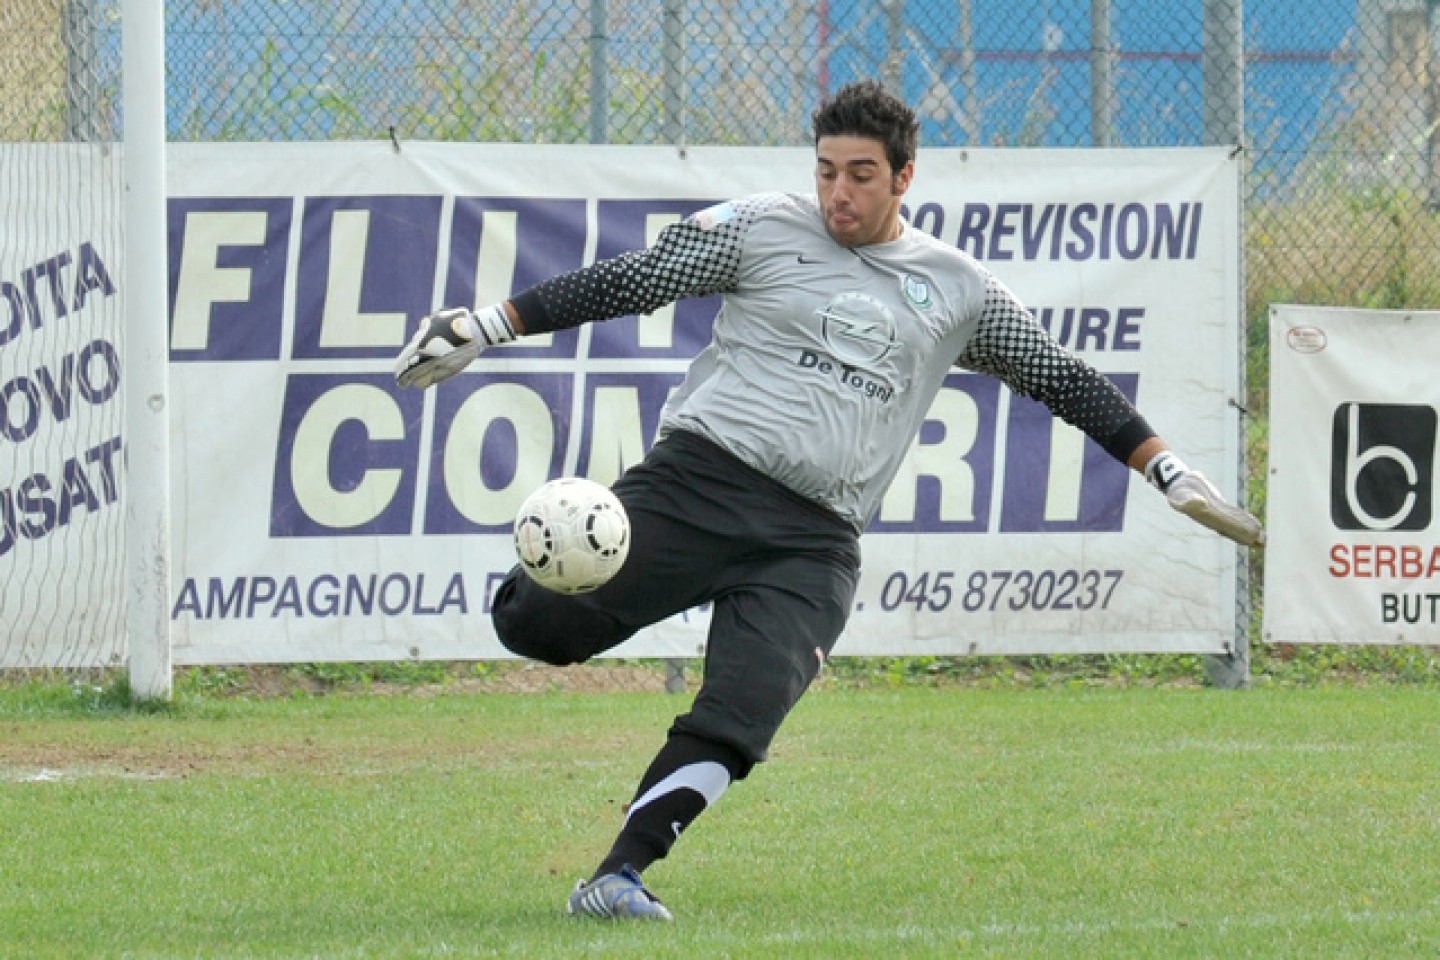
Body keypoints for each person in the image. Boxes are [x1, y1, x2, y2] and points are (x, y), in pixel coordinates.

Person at [394, 80, 1264, 921]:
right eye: (826, 170)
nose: (837, 193)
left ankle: (618, 876)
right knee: (534, 629)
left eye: (860, 175)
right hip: (700, 482)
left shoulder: (957, 290)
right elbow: (632, 281)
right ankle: (536, 582)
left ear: (903, 178)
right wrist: (489, 323)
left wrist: (1166, 470)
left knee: (744, 715)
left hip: (814, 543)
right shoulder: (762, 228)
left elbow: (1062, 378)